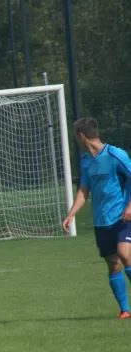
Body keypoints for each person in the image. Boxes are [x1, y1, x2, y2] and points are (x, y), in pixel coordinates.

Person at [62, 117, 131, 319]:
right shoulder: (85, 162)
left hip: (123, 216)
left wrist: (130, 206)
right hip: (102, 221)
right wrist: (70, 214)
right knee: (113, 263)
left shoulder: (114, 154)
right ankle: (125, 310)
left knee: (125, 254)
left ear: (81, 136)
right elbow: (84, 191)